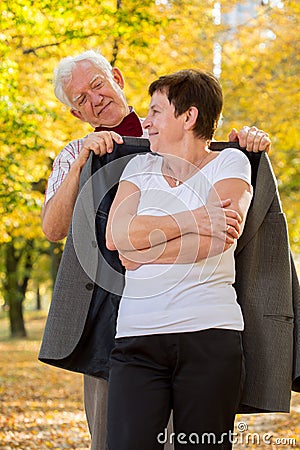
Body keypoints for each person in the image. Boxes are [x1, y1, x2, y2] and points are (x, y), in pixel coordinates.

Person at [39, 50, 272, 450]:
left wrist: (249, 142)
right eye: (81, 100)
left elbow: (210, 162)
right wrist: (81, 163)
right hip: (110, 319)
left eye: (96, 85)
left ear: (116, 78)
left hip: (200, 318)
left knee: (197, 438)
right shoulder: (84, 155)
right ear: (77, 115)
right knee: (115, 435)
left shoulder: (169, 132)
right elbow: (58, 230)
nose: (94, 99)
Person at [105, 69, 253, 449]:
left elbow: (220, 239)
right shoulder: (139, 168)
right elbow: (115, 237)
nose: (146, 121)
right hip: (136, 338)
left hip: (209, 334)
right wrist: (194, 220)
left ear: (188, 117)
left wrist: (140, 249)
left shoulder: (229, 164)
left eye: (155, 111)